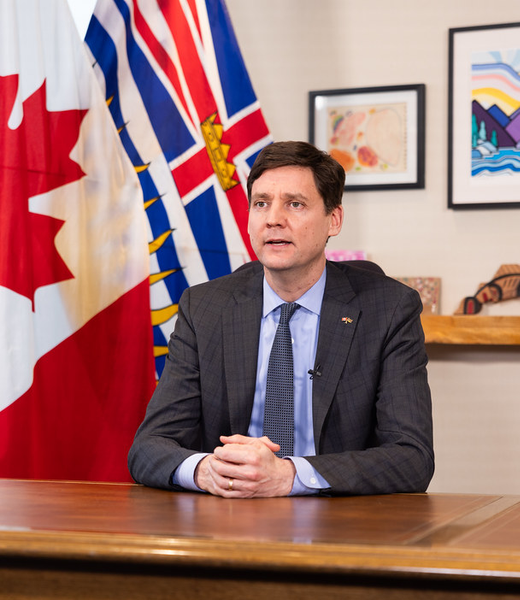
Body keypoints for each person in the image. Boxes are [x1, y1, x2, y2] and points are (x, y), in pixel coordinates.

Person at [128, 141, 433, 497]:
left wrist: (290, 476)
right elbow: (148, 449)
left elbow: (412, 458)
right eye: (261, 204)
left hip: (338, 523)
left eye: (295, 204)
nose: (273, 218)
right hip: (228, 518)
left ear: (333, 220)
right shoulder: (205, 307)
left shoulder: (389, 309)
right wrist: (205, 470)